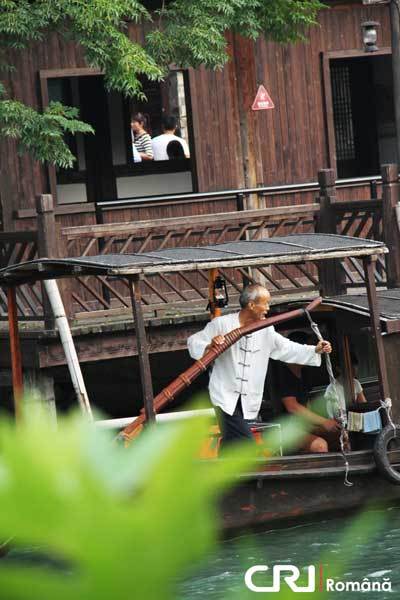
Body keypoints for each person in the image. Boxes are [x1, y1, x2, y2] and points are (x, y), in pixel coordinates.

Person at [187, 285, 332, 450]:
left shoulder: (266, 329)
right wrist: (209, 346)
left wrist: (314, 349)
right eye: (266, 303)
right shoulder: (222, 324)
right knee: (245, 441)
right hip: (224, 396)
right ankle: (252, 474)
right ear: (251, 305)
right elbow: (194, 341)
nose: (268, 308)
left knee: (232, 440)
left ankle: (222, 471)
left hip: (248, 397)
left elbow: (285, 347)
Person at [276, 331, 341, 453]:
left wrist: (323, 424)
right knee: (319, 445)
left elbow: (306, 405)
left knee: (341, 436)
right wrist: (324, 422)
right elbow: (292, 407)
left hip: (304, 426)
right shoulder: (282, 374)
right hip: (286, 430)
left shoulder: (304, 373)